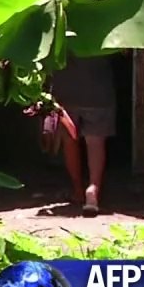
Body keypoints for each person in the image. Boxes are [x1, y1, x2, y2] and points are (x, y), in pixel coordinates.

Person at [48, 54, 116, 217]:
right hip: (99, 91)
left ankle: (78, 189)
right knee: (95, 142)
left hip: (65, 90)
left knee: (70, 140)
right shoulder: (104, 37)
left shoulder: (61, 36)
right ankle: (93, 189)